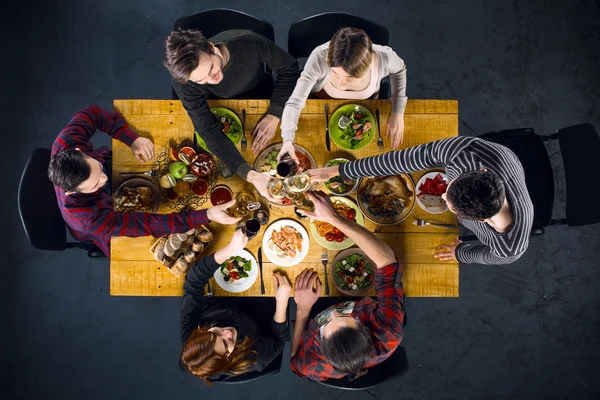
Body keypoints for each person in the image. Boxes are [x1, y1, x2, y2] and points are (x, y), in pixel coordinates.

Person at [308, 136, 534, 265]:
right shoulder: (466, 151)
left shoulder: (510, 247)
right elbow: (403, 160)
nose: (443, 195)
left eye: (450, 206)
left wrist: (461, 253)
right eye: (450, 186)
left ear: (481, 221)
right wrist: (338, 171)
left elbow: (489, 256)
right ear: (482, 171)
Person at [48, 105, 240, 257]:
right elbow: (148, 224)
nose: (105, 179)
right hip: (100, 222)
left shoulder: (66, 142)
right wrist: (207, 215)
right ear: (72, 192)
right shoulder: (88, 219)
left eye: (98, 168)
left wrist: (131, 139)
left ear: (79, 152)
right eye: (96, 184)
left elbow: (92, 114)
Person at [163, 29, 300, 199]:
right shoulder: (184, 83)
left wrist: (275, 113)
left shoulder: (249, 42)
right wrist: (251, 175)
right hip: (219, 104)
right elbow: (207, 130)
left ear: (211, 47)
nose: (213, 80)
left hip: (262, 92)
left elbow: (290, 68)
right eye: (201, 81)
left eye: (211, 68)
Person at [290, 191, 405, 381]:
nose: (333, 313)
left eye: (328, 323)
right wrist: (333, 218)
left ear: (321, 345)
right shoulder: (388, 331)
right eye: (344, 317)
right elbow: (387, 263)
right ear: (366, 330)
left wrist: (303, 310)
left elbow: (294, 364)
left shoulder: (312, 364)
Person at [277, 27, 408, 163]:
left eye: (349, 77)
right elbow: (295, 103)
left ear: (368, 67)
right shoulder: (320, 57)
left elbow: (399, 70)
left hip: (365, 105)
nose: (341, 82)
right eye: (335, 73)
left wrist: (397, 112)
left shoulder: (384, 58)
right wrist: (287, 140)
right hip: (322, 104)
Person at [180, 229, 291, 383]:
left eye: (215, 333)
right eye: (226, 343)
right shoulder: (252, 357)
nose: (226, 333)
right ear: (228, 358)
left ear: (201, 330)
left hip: (222, 294)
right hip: (260, 307)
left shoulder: (193, 340)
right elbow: (279, 341)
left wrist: (231, 249)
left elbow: (193, 283)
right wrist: (282, 302)